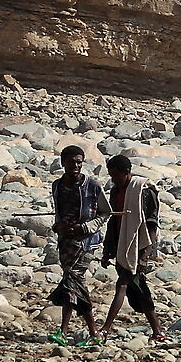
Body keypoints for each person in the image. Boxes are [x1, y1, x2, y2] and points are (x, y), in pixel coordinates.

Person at [101, 152, 166, 341]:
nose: (113, 180)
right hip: (122, 243)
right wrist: (108, 251)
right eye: (111, 175)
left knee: (122, 284)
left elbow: (152, 223)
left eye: (116, 175)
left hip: (139, 245)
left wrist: (146, 255)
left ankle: (106, 328)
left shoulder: (144, 191)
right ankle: (157, 331)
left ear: (127, 172)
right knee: (138, 288)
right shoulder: (115, 191)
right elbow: (113, 221)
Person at [49, 144, 107, 343]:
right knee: (72, 285)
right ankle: (91, 334)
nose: (76, 165)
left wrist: (85, 228)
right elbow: (58, 211)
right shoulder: (57, 185)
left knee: (73, 279)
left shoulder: (92, 185)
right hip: (65, 242)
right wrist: (57, 226)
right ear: (62, 162)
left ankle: (70, 332)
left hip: (86, 242)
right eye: (72, 161)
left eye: (79, 162)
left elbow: (105, 213)